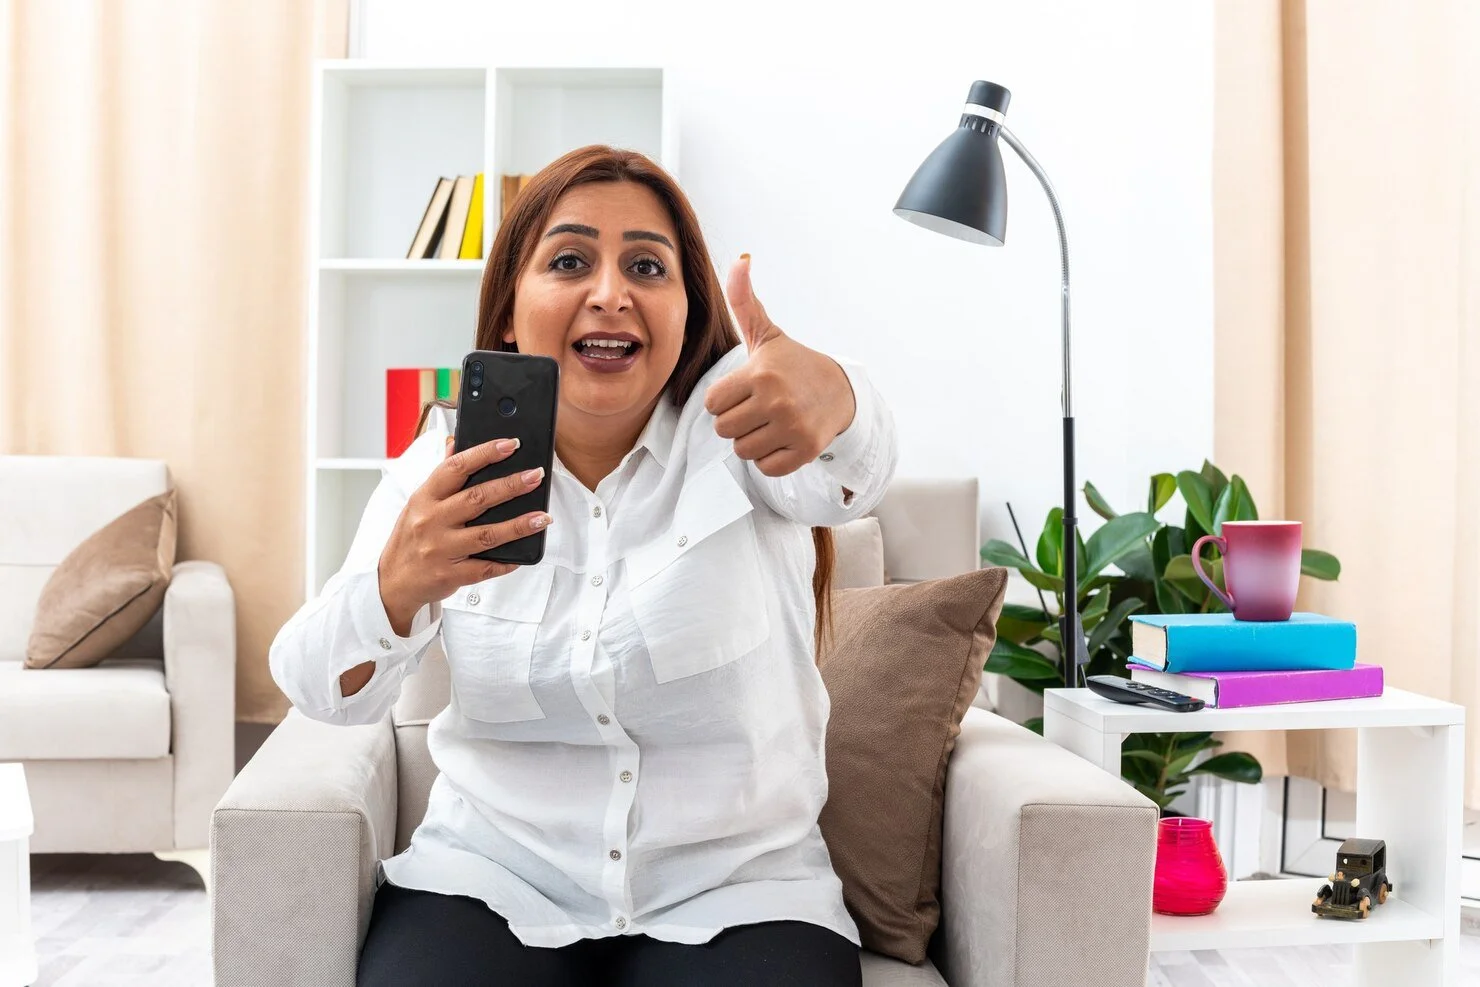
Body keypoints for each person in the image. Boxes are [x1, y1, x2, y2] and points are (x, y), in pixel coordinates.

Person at [269, 144, 898, 986]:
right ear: (508, 314)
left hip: (741, 894)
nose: (611, 292)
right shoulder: (440, 469)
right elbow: (314, 688)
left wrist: (841, 399)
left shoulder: (742, 440)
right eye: (570, 261)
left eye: (647, 265)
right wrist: (395, 587)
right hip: (490, 878)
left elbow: (854, 474)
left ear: (686, 310)